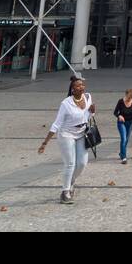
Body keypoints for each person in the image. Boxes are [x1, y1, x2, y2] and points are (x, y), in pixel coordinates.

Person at [38, 75, 96, 204]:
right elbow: (56, 124)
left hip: (81, 133)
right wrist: (45, 143)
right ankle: (65, 192)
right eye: (78, 86)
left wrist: (92, 111)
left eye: (82, 85)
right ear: (72, 89)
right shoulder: (66, 103)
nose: (81, 87)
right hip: (66, 134)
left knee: (82, 163)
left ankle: (70, 182)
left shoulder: (88, 97)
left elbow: (88, 115)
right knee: (70, 163)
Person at [114, 88, 132, 163]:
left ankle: (121, 153)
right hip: (121, 122)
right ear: (126, 95)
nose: (129, 99)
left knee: (127, 139)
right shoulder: (120, 102)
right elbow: (115, 112)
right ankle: (124, 157)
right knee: (124, 139)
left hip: (130, 122)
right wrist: (119, 116)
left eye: (131, 98)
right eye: (128, 98)